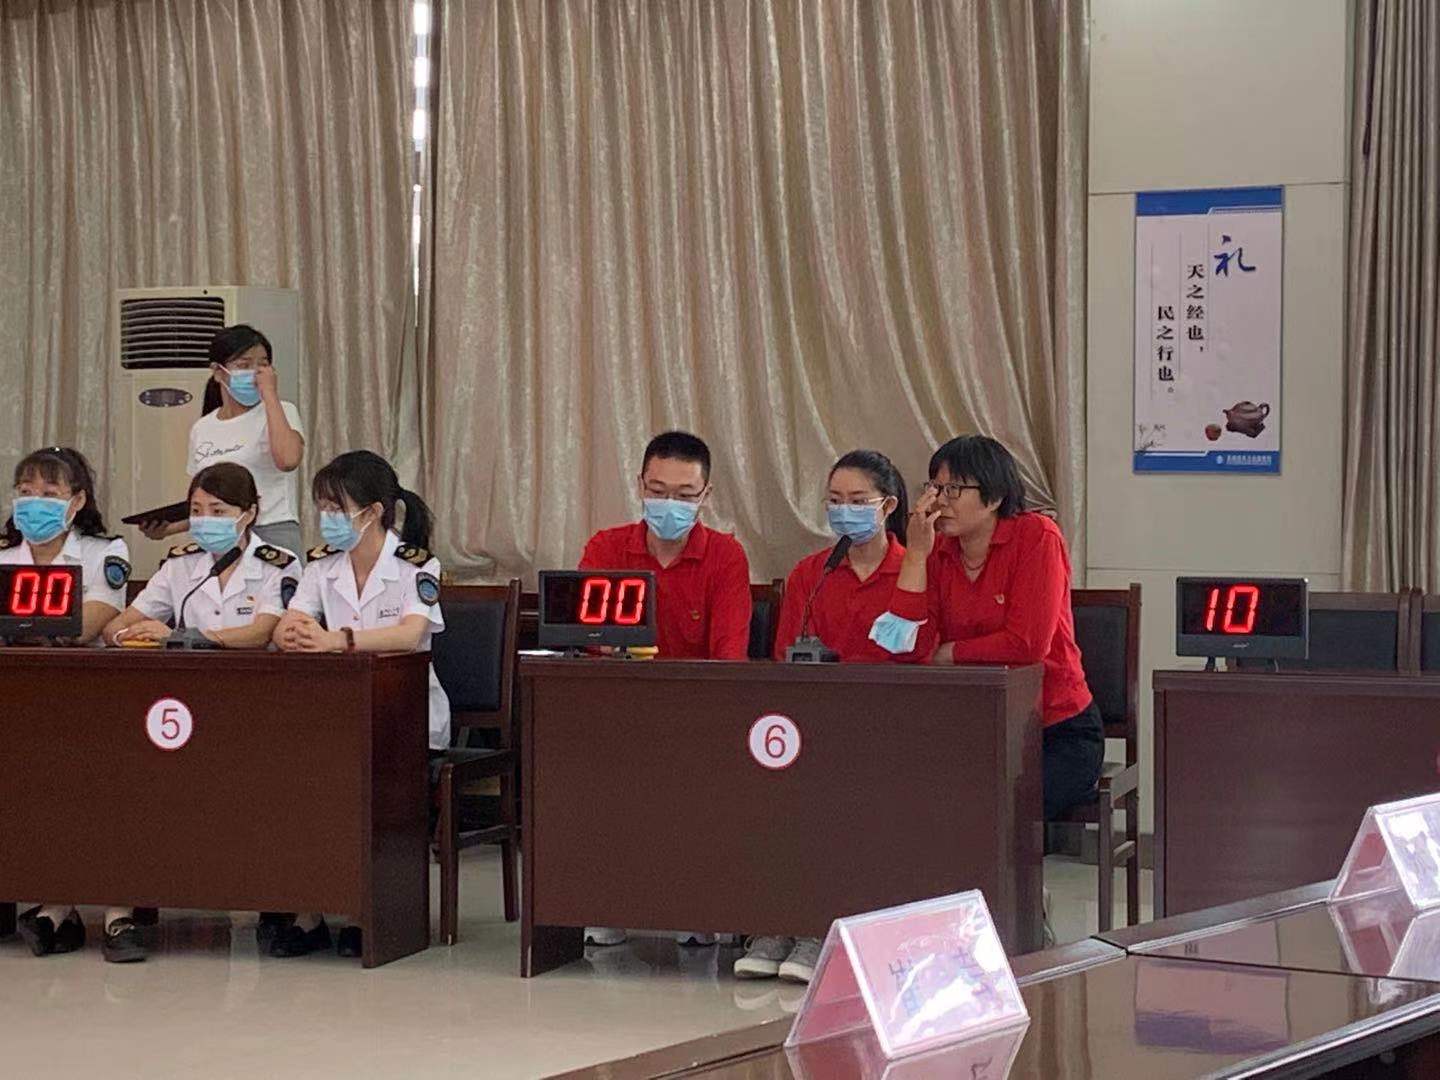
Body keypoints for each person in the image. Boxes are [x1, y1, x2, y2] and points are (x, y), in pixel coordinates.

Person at [733, 450, 908, 985]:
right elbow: (785, 659)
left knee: (842, 792)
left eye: (857, 501)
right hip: (813, 727)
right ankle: (776, 923)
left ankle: (819, 928)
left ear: (888, 506)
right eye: (834, 501)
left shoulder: (914, 571)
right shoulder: (812, 573)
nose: (843, 511)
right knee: (772, 785)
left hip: (887, 730)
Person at [579, 431, 752, 950]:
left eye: (683, 495)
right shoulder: (606, 547)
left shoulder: (726, 556)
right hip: (620, 709)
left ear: (706, 495)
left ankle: (695, 903)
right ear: (640, 485)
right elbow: (587, 639)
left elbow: (729, 656)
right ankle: (607, 901)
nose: (668, 505)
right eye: (657, 491)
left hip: (697, 712)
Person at [270, 450, 447, 958]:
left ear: (372, 512)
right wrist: (292, 632)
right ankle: (308, 912)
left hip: (406, 718)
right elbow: (291, 619)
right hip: (337, 716)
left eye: (336, 507)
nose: (326, 517)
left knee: (355, 785)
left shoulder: (417, 564)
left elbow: (409, 635)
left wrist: (338, 640)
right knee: (295, 780)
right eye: (322, 507)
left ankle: (361, 911)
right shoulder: (322, 565)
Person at [873, 435, 1100, 823]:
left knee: (1000, 812)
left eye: (954, 489)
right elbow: (905, 646)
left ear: (994, 497)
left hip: (1055, 730)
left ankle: (1017, 867)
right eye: (934, 488)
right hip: (974, 725)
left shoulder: (1037, 536)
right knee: (911, 798)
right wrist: (915, 555)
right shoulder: (939, 550)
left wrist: (952, 653)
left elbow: (1027, 644)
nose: (939, 501)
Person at [2, 447, 132, 961]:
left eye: (50, 493)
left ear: (76, 502)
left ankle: (109, 907)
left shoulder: (104, 552)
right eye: (26, 491)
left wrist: (21, 629)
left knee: (93, 796)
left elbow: (88, 622)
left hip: (89, 699)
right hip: (17, 699)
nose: (35, 502)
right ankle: (50, 903)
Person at [140, 324, 306, 558]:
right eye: (244, 365)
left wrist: (269, 394)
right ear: (218, 372)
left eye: (263, 364)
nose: (256, 374)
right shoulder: (203, 427)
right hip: (220, 537)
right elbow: (206, 497)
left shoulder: (282, 411)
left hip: (271, 531)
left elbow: (288, 460)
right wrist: (168, 529)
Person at [103, 463, 299, 650]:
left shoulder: (279, 565)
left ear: (249, 514)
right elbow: (116, 627)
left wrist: (181, 638)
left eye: (218, 511)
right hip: (190, 671)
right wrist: (125, 637)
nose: (205, 519)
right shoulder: (180, 564)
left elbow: (260, 634)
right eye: (196, 511)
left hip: (254, 671)